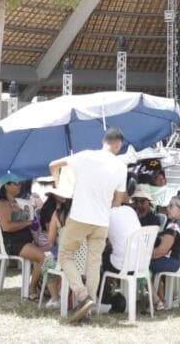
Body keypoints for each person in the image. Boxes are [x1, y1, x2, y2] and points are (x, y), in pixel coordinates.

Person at [49, 126, 128, 324]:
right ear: (118, 145)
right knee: (94, 264)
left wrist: (60, 184)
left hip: (80, 216)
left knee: (65, 256)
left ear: (104, 141)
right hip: (102, 221)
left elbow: (53, 164)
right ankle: (87, 312)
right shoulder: (121, 166)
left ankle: (83, 297)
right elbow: (118, 201)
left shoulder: (85, 156)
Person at [0, 174, 46, 300]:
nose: (20, 186)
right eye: (16, 183)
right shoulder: (2, 204)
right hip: (13, 243)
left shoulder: (15, 202)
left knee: (51, 254)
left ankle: (44, 286)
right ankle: (31, 289)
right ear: (6, 186)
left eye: (20, 183)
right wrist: (28, 222)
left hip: (23, 240)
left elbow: (22, 221)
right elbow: (6, 227)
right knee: (43, 258)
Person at [149, 195, 180, 309]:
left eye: (171, 206)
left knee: (142, 264)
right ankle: (160, 298)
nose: (167, 208)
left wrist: (144, 256)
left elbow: (162, 251)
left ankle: (157, 300)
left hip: (178, 264)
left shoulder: (174, 225)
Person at [39, 182, 74, 309]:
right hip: (86, 260)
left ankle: (55, 298)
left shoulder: (57, 214)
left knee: (47, 264)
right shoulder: (84, 213)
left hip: (65, 258)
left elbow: (50, 240)